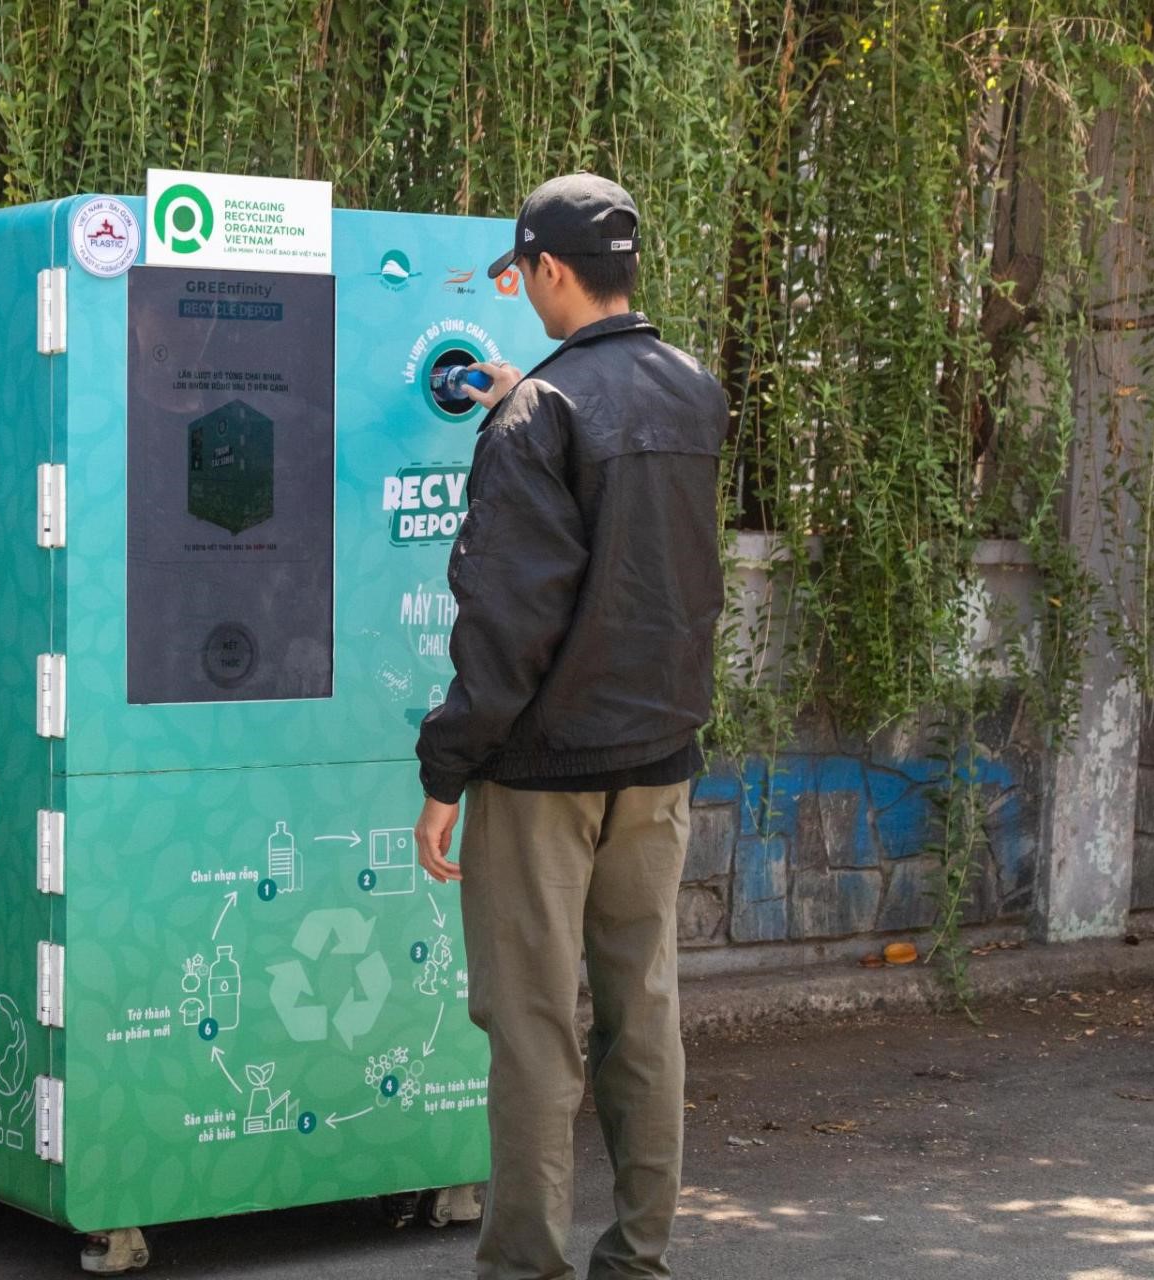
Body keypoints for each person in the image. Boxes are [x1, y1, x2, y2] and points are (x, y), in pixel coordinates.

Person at [413, 173, 728, 1280]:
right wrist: (520, 398)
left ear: (548, 269)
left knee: (536, 1030)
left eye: (521, 273)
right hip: (659, 761)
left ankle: (523, 1267)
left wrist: (445, 768)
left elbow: (508, 619)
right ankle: (639, 1258)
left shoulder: (539, 415)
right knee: (642, 1015)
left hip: (544, 773)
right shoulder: (692, 390)